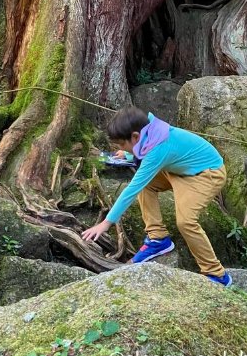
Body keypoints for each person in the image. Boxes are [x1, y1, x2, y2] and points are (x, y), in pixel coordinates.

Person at [81, 107, 232, 286]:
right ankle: (158, 238)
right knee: (148, 186)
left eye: (122, 144)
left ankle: (217, 274)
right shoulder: (150, 131)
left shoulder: (159, 149)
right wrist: (128, 152)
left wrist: (107, 222)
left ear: (135, 136)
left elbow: (133, 188)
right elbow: (144, 151)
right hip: (179, 170)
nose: (120, 148)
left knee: (186, 222)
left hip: (205, 174)